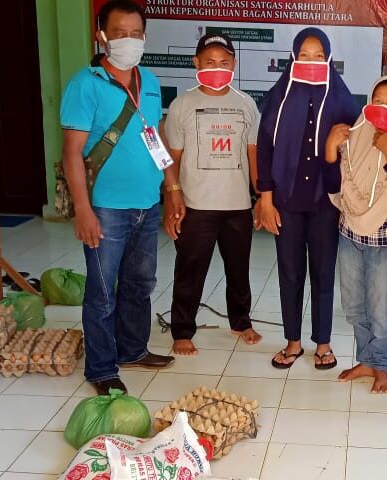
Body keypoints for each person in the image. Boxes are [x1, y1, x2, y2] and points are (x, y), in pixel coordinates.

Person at [60, 0, 175, 395]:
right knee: (103, 290)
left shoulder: (151, 81)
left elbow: (156, 137)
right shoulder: (85, 83)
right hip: (105, 206)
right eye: (120, 33)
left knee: (140, 283)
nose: (129, 40)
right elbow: (72, 152)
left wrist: (172, 187)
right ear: (101, 36)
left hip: (147, 202)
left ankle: (133, 349)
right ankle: (101, 368)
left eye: (136, 33)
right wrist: (82, 209)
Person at [257, 28, 360, 370]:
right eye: (304, 55)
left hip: (325, 204)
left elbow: (356, 154)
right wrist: (266, 199)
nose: (311, 61)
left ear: (328, 59)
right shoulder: (279, 97)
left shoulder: (343, 100)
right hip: (285, 201)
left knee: (323, 273)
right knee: (289, 273)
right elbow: (265, 149)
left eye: (318, 56)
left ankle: (323, 343)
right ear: (293, 57)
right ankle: (293, 342)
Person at [162, 33, 263, 355]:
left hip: (237, 205)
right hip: (196, 205)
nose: (217, 68)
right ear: (196, 63)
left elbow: (253, 154)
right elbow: (172, 159)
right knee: (189, 270)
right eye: (210, 62)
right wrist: (171, 199)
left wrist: (261, 196)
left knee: (239, 269)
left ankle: (241, 321)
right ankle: (182, 329)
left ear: (234, 64)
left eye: (224, 62)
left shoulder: (246, 104)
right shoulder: (182, 105)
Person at [325, 76, 387, 393]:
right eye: (378, 100)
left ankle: (381, 365)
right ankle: (366, 360)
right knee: (354, 306)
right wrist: (330, 150)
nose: (384, 107)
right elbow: (333, 185)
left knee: (381, 309)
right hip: (351, 234)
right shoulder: (354, 136)